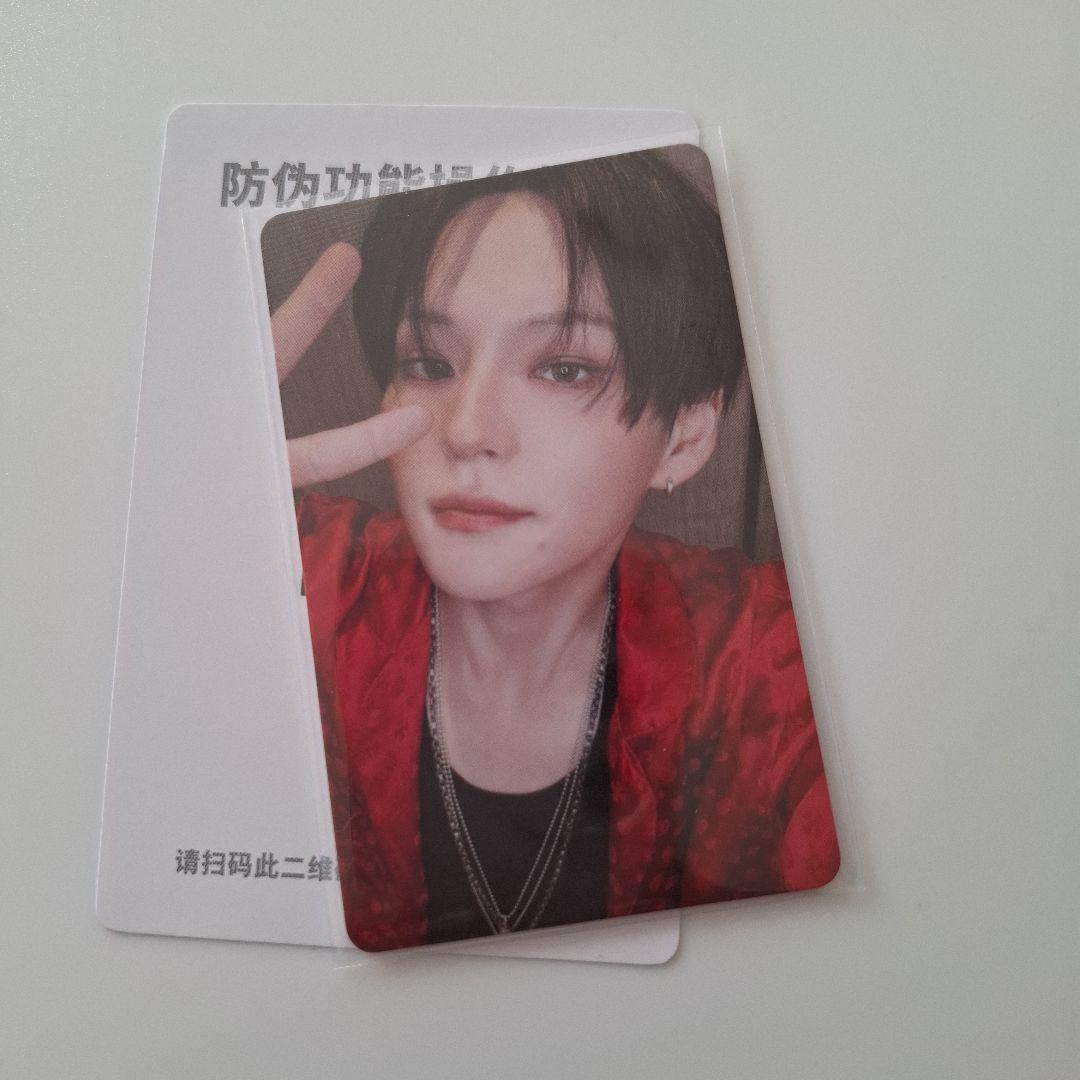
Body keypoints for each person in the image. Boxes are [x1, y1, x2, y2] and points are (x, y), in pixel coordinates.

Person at [272, 150, 840, 951]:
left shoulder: (768, 657)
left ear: (685, 434)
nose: (468, 429)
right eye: (429, 363)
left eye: (564, 368)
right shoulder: (285, 573)